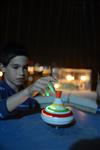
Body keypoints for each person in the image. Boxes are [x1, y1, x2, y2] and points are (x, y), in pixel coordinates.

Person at [0, 43, 55, 119]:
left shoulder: (30, 100)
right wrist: (28, 91)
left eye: (25, 67)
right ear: (3, 67)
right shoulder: (27, 93)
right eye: (15, 67)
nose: (21, 73)